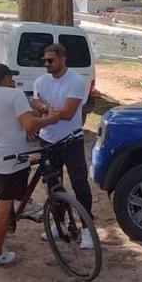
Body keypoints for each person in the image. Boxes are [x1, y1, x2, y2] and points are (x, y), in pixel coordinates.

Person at [0, 63, 62, 267]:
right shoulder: (14, 95)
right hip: (8, 158)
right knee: (4, 206)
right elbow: (30, 125)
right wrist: (51, 119)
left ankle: (24, 198)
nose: (14, 80)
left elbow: (7, 123)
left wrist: (32, 120)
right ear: (5, 79)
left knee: (25, 165)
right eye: (11, 77)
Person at [32, 43, 95, 249]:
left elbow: (68, 114)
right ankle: (59, 225)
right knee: (53, 184)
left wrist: (44, 107)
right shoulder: (40, 81)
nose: (46, 64)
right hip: (47, 140)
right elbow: (36, 106)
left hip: (71, 140)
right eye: (44, 61)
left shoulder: (76, 81)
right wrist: (45, 108)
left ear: (62, 58)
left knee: (80, 185)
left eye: (50, 60)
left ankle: (87, 230)